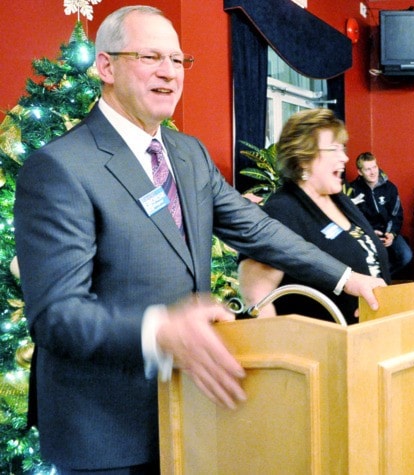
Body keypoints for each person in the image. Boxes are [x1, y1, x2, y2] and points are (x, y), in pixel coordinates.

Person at [13, 7, 385, 473]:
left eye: (178, 60)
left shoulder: (187, 153)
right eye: (150, 57)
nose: (169, 72)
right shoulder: (61, 168)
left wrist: (347, 277)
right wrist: (162, 330)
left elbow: (257, 229)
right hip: (105, 431)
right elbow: (56, 317)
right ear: (106, 67)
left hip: (188, 414)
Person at [238, 109, 391, 324]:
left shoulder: (339, 200)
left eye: (343, 148)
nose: (345, 157)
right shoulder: (281, 211)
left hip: (370, 336)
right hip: (325, 348)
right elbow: (257, 300)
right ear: (303, 159)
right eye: (334, 149)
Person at [349, 152, 412, 277]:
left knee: (406, 255)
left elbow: (396, 214)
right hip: (367, 234)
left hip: (388, 232)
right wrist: (371, 233)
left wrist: (392, 234)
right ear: (360, 172)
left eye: (374, 167)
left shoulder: (390, 188)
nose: (373, 172)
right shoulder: (353, 190)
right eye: (368, 169)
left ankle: (382, 277)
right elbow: (353, 219)